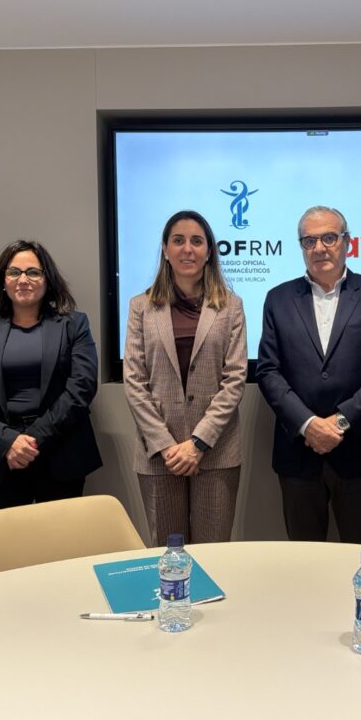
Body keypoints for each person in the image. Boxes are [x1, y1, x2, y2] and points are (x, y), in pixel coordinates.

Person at [258, 206, 361, 545]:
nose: (319, 248)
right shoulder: (278, 299)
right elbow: (268, 371)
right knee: (304, 560)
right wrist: (309, 425)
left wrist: (339, 423)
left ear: (347, 242)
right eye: (309, 241)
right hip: (298, 453)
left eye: (328, 238)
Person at [124, 210, 247, 545]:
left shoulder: (231, 307)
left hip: (216, 451)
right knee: (168, 553)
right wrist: (167, 446)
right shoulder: (140, 307)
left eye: (196, 241)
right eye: (178, 240)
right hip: (158, 454)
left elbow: (235, 379)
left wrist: (197, 444)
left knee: (213, 552)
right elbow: (134, 382)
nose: (187, 249)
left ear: (209, 251)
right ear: (165, 249)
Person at [0, 240, 102, 510]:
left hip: (62, 452)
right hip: (0, 455)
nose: (23, 279)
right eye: (14, 272)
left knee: (63, 547)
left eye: (33, 272)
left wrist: (32, 439)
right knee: (10, 549)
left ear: (48, 279)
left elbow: (81, 387)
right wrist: (7, 441)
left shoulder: (74, 324)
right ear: (3, 280)